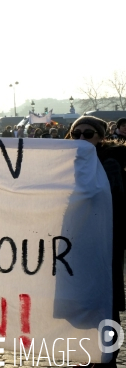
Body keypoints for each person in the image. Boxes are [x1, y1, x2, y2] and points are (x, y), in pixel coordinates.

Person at [67, 116, 126, 368]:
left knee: (105, 302)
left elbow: (113, 198)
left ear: (100, 137)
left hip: (105, 241)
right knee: (82, 300)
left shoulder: (110, 163)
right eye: (76, 133)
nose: (81, 138)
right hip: (77, 241)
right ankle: (88, 353)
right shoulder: (64, 162)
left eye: (88, 133)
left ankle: (107, 358)